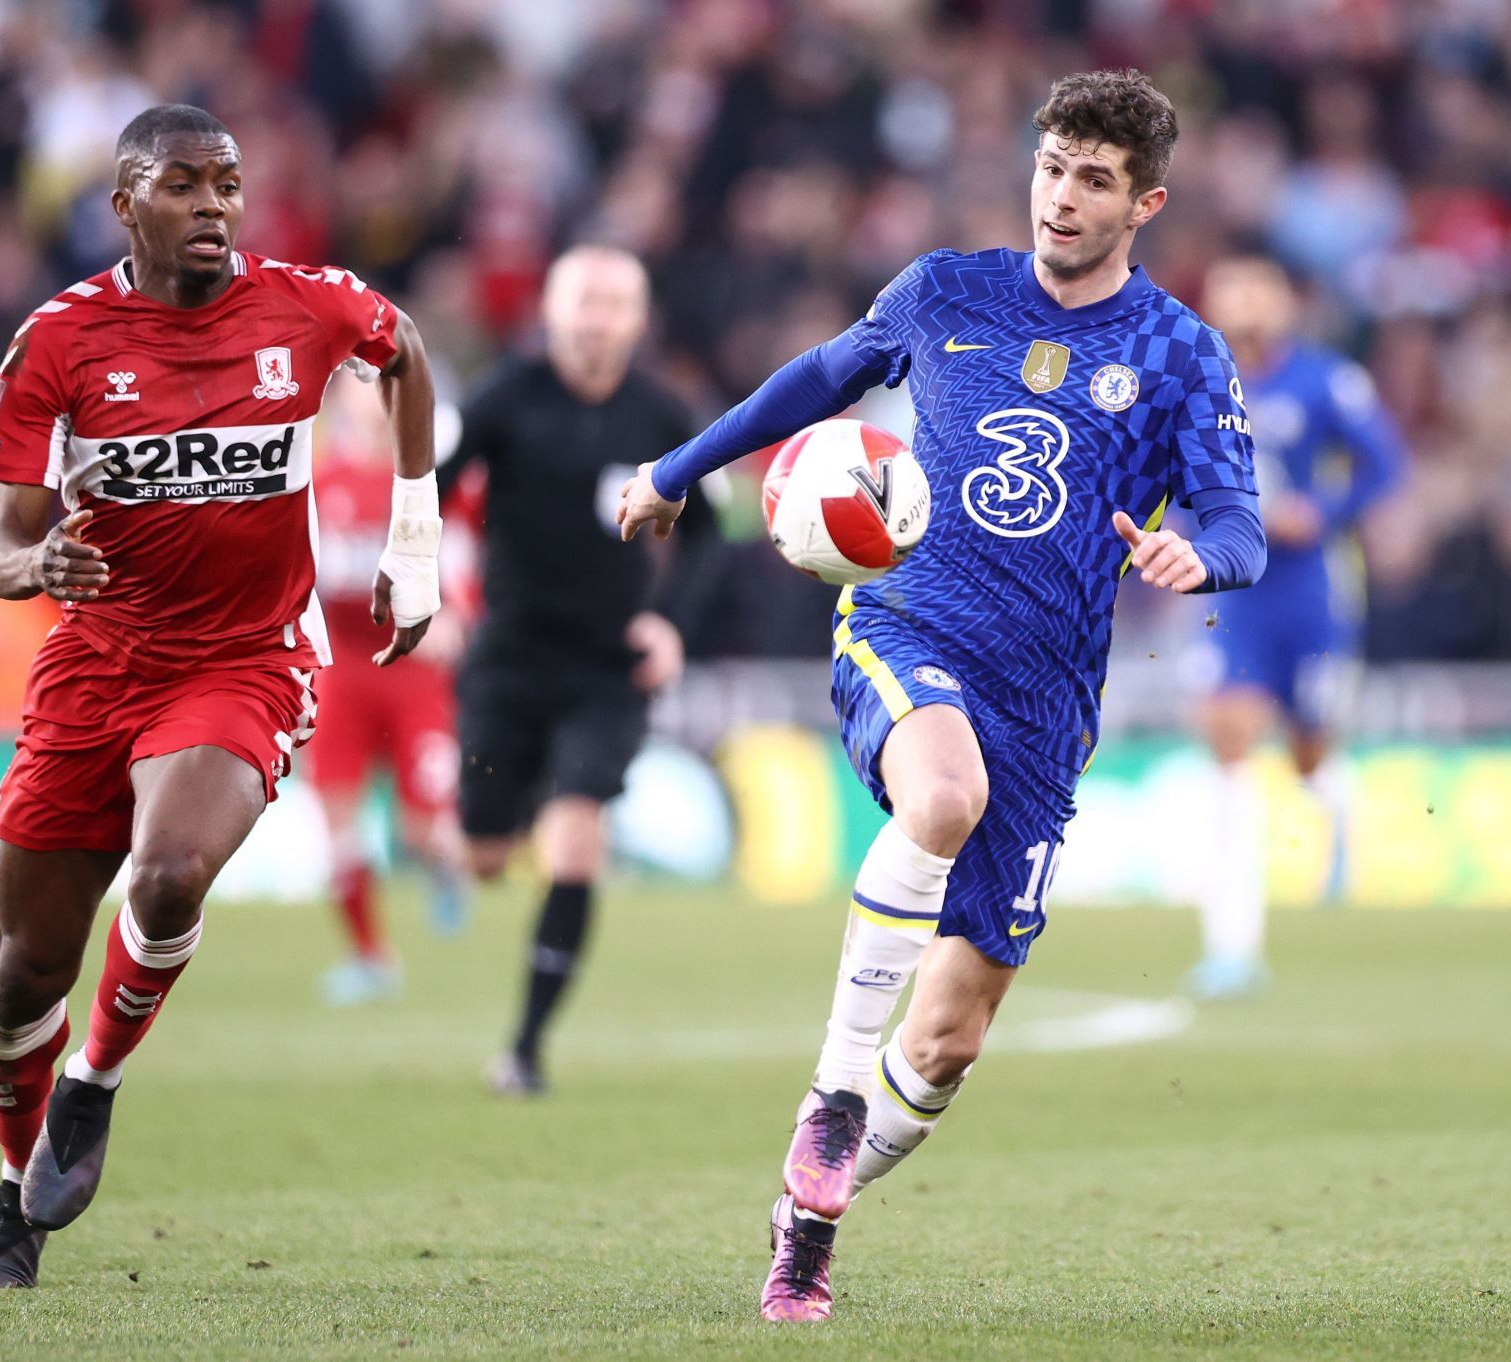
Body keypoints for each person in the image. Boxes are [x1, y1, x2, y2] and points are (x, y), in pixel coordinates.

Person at [616, 69, 1266, 1322]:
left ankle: (808, 1215)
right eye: (1052, 168)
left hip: (1049, 704)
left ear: (1146, 203)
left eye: (1093, 181)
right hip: (907, 626)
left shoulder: (1181, 353)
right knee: (942, 791)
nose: (1062, 199)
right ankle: (832, 1092)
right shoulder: (945, 289)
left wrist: (1203, 556)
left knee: (954, 1039)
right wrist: (679, 467)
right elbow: (816, 379)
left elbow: (1237, 515)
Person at [0, 104, 441, 1289]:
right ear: (125, 204)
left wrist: (412, 536)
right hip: (96, 664)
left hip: (244, 658)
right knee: (27, 968)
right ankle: (18, 1196)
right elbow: (3, 551)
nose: (216, 205)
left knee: (172, 873)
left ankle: (97, 1082)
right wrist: (41, 569)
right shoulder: (58, 342)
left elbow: (407, 352)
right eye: (184, 185)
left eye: (228, 183)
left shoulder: (308, 305)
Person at [440, 244, 720, 1096]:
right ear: (551, 312)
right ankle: (503, 813)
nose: (597, 318)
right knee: (487, 852)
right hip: (508, 659)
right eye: (582, 301)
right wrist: (432, 597)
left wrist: (668, 625)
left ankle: (524, 1048)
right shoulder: (505, 399)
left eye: (615, 303)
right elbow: (428, 492)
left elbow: (708, 530)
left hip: (607, 667)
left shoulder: (663, 412)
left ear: (638, 321)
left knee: (575, 841)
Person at [1187, 256, 1406, 1000]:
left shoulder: (1326, 380)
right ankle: (1232, 945)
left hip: (1313, 593)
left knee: (1310, 753)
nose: (1243, 301)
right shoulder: (1195, 380)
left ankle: (1341, 812)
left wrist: (1322, 513)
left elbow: (1386, 465)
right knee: (1230, 750)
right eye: (1231, 287)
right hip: (1237, 595)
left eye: (1258, 288)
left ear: (1285, 302)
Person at [306, 378, 482, 1005]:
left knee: (422, 828)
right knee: (337, 822)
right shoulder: (319, 483)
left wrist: (454, 616)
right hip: (343, 670)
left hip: (413, 672)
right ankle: (371, 957)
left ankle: (447, 870)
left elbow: (458, 564)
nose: (373, 403)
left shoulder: (431, 486)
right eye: (361, 390)